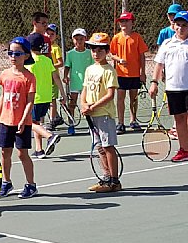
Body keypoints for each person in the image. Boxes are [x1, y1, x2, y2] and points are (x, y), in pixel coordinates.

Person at [0, 37, 38, 198]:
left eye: (17, 53)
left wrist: (23, 120)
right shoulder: (5, 74)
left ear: (26, 55)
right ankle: (6, 182)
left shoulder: (29, 77)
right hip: (5, 121)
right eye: (10, 53)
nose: (13, 56)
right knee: (5, 152)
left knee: (22, 154)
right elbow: (2, 96)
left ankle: (31, 185)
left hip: (22, 123)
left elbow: (30, 102)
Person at [81, 32, 121, 192]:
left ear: (107, 51)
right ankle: (106, 177)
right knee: (99, 148)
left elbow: (110, 95)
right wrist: (84, 104)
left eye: (100, 50)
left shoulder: (109, 71)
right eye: (93, 50)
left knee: (108, 146)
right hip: (92, 115)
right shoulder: (90, 69)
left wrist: (93, 106)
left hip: (104, 115)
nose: (96, 53)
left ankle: (114, 181)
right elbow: (85, 90)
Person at [150, 10, 188, 162]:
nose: (180, 28)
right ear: (173, 26)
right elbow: (159, 65)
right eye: (178, 25)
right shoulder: (167, 44)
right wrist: (154, 82)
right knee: (179, 119)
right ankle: (184, 149)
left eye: (184, 25)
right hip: (173, 88)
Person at [25, 33, 65, 159]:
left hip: (34, 99)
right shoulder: (47, 60)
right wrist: (63, 94)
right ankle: (39, 150)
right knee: (37, 123)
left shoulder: (28, 63)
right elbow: (56, 77)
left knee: (29, 123)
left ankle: (50, 136)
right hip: (47, 98)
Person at [110, 11, 148, 133]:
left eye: (126, 21)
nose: (124, 23)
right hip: (121, 74)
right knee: (120, 98)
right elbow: (112, 54)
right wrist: (119, 60)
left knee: (134, 98)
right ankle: (120, 123)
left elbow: (142, 56)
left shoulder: (137, 37)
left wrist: (142, 72)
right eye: (122, 21)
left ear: (132, 23)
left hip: (135, 74)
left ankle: (133, 120)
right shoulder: (116, 38)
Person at [63, 28, 94, 136]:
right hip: (75, 84)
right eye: (76, 39)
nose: (79, 41)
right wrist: (65, 76)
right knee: (72, 104)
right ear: (73, 40)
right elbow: (67, 66)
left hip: (88, 84)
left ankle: (91, 126)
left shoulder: (90, 53)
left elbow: (94, 67)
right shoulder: (70, 54)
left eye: (81, 39)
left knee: (87, 105)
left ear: (85, 39)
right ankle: (71, 125)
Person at [46, 23, 65, 129]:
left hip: (54, 78)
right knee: (45, 100)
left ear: (56, 36)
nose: (49, 36)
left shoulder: (55, 48)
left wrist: (50, 66)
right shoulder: (43, 47)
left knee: (52, 100)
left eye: (52, 34)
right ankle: (56, 117)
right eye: (47, 33)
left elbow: (61, 63)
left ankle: (52, 121)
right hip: (44, 78)